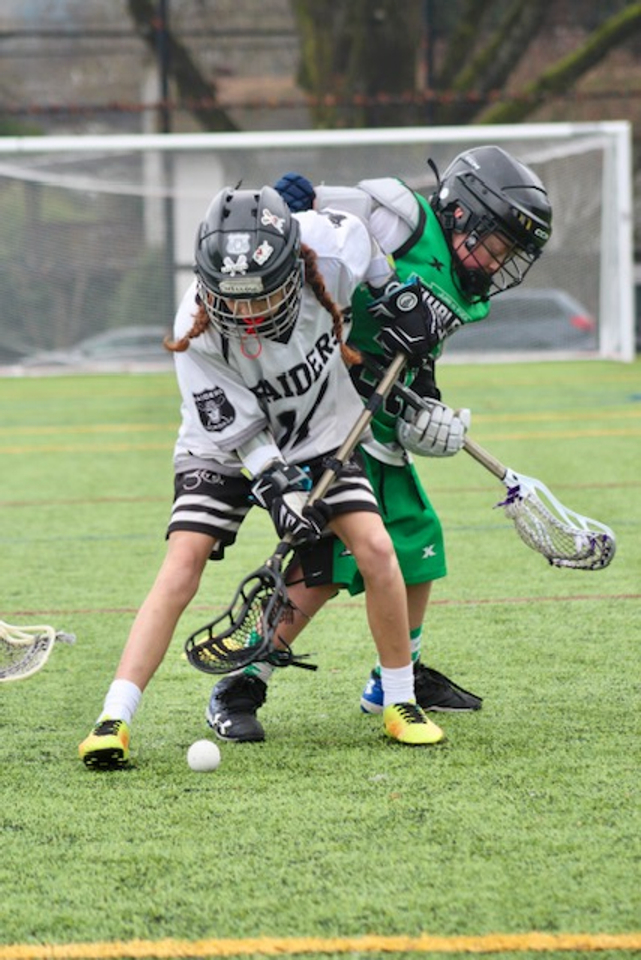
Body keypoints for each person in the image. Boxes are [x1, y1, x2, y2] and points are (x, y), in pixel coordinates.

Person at [78, 184, 452, 769]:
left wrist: (394, 296)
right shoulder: (195, 328)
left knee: (378, 549)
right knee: (183, 564)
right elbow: (240, 431)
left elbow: (372, 252)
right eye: (234, 301)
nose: (248, 314)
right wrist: (279, 489)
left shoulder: (333, 246)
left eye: (262, 297)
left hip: (321, 430)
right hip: (226, 447)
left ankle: (400, 702)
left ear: (293, 264)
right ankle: (113, 717)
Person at [206, 146, 552, 743]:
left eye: (508, 256)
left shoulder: (464, 288)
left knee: (419, 540)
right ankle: (241, 681)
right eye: (496, 246)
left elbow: (416, 355)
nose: (497, 265)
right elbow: (290, 213)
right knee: (323, 567)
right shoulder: (401, 216)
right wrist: (294, 199)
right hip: (325, 415)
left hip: (377, 426)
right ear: (463, 214)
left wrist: (430, 408)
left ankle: (396, 677)